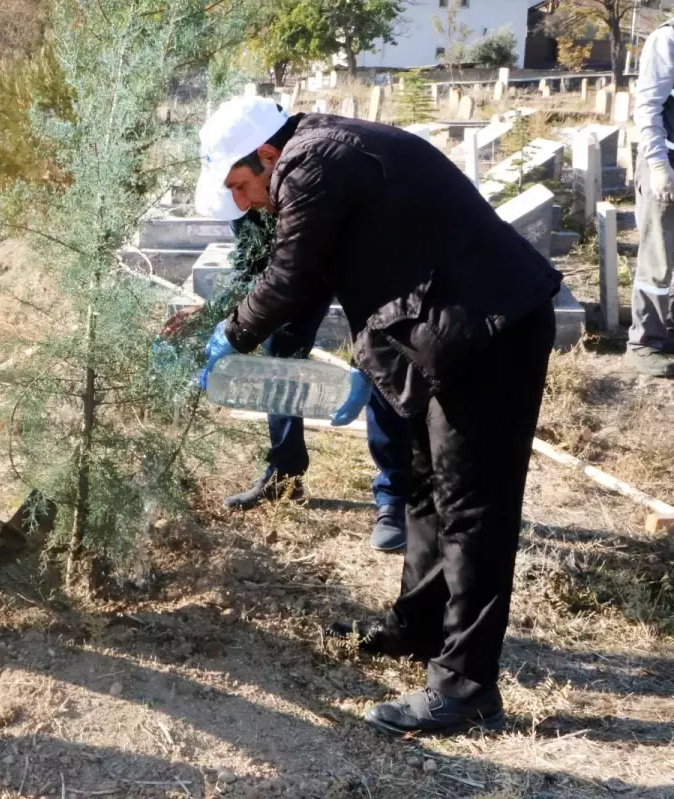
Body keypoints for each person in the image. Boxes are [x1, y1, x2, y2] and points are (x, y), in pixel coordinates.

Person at [195, 96, 561, 736]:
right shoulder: (319, 155)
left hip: (491, 330)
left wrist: (231, 334)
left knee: (475, 507)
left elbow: (289, 277)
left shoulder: (313, 162)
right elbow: (321, 274)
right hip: (446, 326)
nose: (245, 201)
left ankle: (467, 687)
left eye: (242, 184)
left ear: (267, 155)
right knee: (424, 485)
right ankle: (416, 630)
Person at [223, 208, 412, 552]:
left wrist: (361, 359)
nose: (237, 196)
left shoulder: (317, 176)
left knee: (378, 358)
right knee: (281, 350)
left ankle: (394, 497)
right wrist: (223, 320)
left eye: (241, 188)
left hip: (358, 258)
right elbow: (250, 262)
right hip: (298, 268)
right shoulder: (237, 185)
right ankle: (285, 475)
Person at [628, 21, 674, 377]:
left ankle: (667, 329)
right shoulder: (667, 39)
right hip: (666, 162)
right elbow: (647, 107)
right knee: (658, 259)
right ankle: (644, 342)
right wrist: (659, 165)